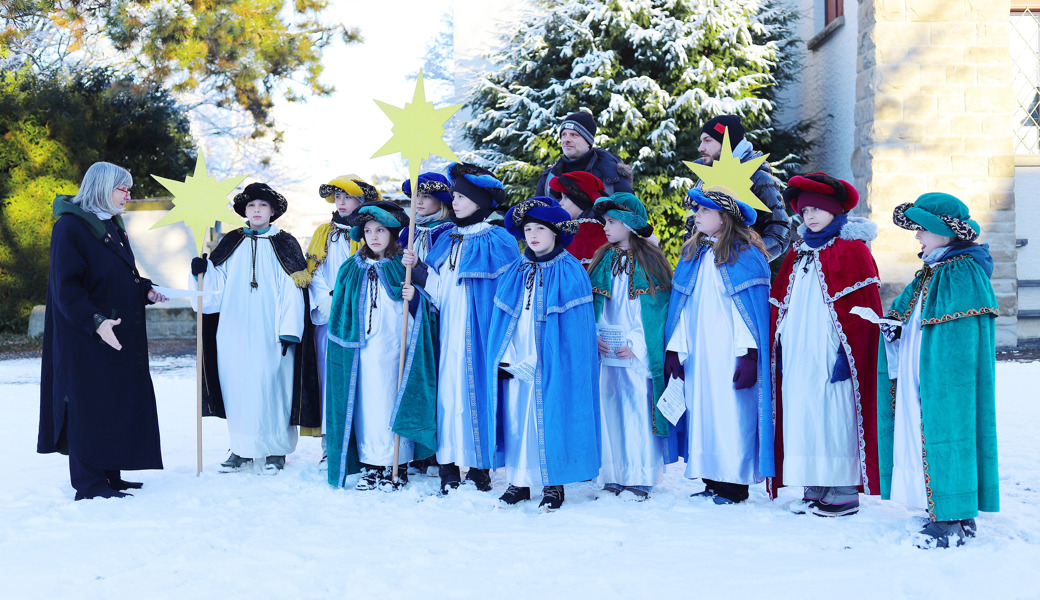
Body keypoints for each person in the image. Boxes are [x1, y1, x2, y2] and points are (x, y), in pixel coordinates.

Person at [38, 161, 167, 501]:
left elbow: (116, 275)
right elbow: (67, 287)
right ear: (101, 187)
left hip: (116, 334)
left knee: (112, 403)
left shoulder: (111, 225)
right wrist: (96, 322)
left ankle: (111, 475)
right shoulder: (70, 227)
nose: (128, 195)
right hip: (85, 336)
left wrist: (145, 290)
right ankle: (90, 483)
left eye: (129, 188)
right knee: (88, 406)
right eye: (122, 188)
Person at [877, 193, 999, 549]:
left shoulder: (962, 271)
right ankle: (951, 512)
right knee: (934, 436)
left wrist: (940, 378)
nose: (917, 238)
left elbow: (958, 338)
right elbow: (905, 313)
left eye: (922, 231)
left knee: (949, 434)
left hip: (947, 379)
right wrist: (891, 325)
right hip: (926, 375)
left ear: (943, 231)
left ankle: (950, 518)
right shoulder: (934, 269)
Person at [401, 162, 520, 494]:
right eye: (453, 196)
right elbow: (440, 292)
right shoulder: (448, 238)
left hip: (481, 334)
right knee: (448, 396)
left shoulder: (498, 239)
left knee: (478, 395)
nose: (454, 201)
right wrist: (419, 271)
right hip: (449, 333)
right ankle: (449, 464)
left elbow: (508, 291)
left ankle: (480, 466)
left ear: (480, 201)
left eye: (461, 197)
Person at [767, 173, 882, 517]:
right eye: (805, 211)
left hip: (834, 349)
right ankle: (815, 480)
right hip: (801, 351)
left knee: (834, 413)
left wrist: (850, 355)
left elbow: (866, 310)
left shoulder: (852, 251)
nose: (810, 216)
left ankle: (843, 487)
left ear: (834, 210)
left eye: (817, 209)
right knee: (803, 411)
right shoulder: (798, 252)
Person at [488, 196, 600, 510]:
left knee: (552, 415)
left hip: (552, 360)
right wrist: (506, 354)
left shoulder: (570, 270)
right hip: (517, 357)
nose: (533, 235)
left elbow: (576, 331)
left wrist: (551, 357)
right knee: (516, 417)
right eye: (528, 228)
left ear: (555, 232)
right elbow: (502, 318)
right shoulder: (517, 270)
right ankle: (519, 480)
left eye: (540, 228)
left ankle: (553, 483)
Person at [193, 182, 313, 474]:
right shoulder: (230, 241)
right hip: (233, 329)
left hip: (271, 330)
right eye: (251, 206)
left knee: (272, 386)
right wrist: (201, 272)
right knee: (239, 386)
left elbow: (293, 289)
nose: (257, 210)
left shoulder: (286, 243)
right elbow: (214, 291)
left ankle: (275, 450)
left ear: (273, 211)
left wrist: (289, 329)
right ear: (244, 211)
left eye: (263, 206)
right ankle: (241, 447)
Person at [664, 187, 774, 505]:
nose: (695, 215)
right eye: (696, 210)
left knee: (732, 413)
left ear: (724, 217)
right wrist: (675, 348)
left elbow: (751, 312)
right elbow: (682, 306)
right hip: (699, 350)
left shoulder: (747, 255)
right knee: (704, 411)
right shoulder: (693, 255)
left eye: (703, 211)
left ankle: (734, 483)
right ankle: (712, 478)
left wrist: (750, 354)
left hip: (731, 352)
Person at [324, 201, 439, 491]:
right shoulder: (350, 268)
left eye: (380, 230)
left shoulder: (404, 265)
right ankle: (371, 464)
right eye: (368, 230)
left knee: (390, 401)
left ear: (392, 233)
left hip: (394, 350)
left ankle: (394, 465)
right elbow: (339, 310)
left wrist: (415, 297)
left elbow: (431, 310)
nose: (374, 236)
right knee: (365, 407)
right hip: (361, 352)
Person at [586, 192, 672, 500]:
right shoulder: (601, 259)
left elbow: (657, 309)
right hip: (607, 351)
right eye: (605, 222)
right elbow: (593, 304)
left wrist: (636, 343)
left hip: (635, 353)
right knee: (609, 407)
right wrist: (594, 332)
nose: (605, 227)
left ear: (630, 223)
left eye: (612, 221)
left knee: (637, 408)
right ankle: (613, 473)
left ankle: (641, 473)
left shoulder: (652, 261)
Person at [304, 175, 372, 468]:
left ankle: (364, 442)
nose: (341, 203)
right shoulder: (323, 233)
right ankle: (330, 445)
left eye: (348, 197)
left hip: (361, 317)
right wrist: (328, 301)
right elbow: (313, 273)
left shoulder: (370, 232)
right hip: (329, 317)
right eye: (338, 197)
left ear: (362, 200)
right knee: (329, 381)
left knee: (364, 380)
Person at [687, 115, 791, 262]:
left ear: (728, 142)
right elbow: (691, 226)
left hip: (740, 279)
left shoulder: (759, 178)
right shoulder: (705, 177)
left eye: (708, 140)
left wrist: (742, 258)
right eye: (701, 141)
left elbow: (779, 233)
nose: (700, 148)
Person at [535, 111, 633, 198]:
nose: (566, 140)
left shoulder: (612, 177)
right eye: (564, 134)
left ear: (588, 142)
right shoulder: (549, 179)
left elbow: (631, 215)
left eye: (574, 135)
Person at [545, 171, 608, 266]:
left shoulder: (584, 231)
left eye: (565, 197)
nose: (560, 203)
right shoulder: (599, 227)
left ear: (580, 201)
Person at [398, 172, 454, 261]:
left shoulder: (449, 231)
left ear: (441, 201)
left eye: (426, 196)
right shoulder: (411, 229)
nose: (419, 201)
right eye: (416, 195)